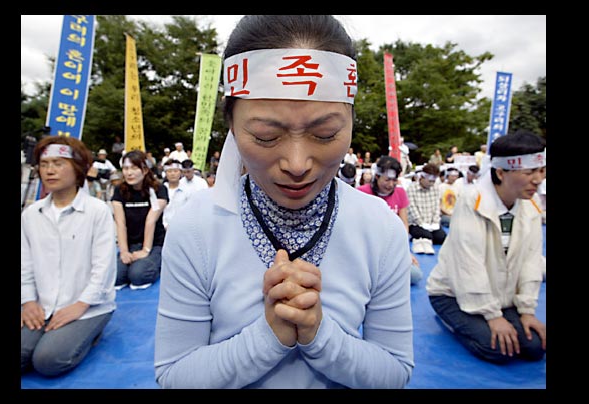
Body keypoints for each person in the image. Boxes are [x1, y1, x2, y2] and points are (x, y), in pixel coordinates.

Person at [155, 15, 413, 389]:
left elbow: (395, 371)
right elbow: (174, 375)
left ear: (352, 121)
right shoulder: (195, 226)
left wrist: (319, 335)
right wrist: (268, 337)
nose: (297, 164)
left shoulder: (380, 227)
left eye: (325, 134)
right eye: (264, 136)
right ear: (231, 124)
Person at [426, 130, 546, 364]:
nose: (538, 179)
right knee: (499, 350)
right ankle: (451, 320)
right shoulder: (472, 201)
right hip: (452, 293)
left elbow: (531, 261)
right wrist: (492, 316)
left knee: (534, 347)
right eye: (530, 171)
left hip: (501, 295)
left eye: (541, 171)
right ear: (501, 172)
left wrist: (527, 311)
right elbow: (468, 263)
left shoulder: (530, 206)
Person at [21, 136, 117, 376]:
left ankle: (91, 331)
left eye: (58, 163)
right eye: (44, 164)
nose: (50, 171)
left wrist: (80, 305)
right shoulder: (31, 215)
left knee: (48, 361)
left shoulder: (97, 212)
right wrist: (28, 301)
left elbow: (103, 269)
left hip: (88, 305)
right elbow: (24, 263)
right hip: (43, 304)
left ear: (78, 170)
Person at [357, 156, 423, 285]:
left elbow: (404, 223)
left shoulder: (400, 192)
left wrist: (405, 252)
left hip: (392, 249)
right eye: (387, 180)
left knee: (415, 276)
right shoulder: (361, 193)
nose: (390, 185)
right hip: (368, 250)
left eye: (394, 180)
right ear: (377, 177)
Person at [112, 150, 168, 290]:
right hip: (130, 244)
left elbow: (151, 221)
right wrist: (124, 251)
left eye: (134, 168)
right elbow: (120, 223)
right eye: (125, 168)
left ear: (144, 170)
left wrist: (146, 250)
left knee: (138, 276)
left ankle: (159, 262)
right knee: (116, 277)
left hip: (154, 244)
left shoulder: (158, 189)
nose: (129, 173)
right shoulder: (119, 191)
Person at [406, 163, 447, 254]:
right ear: (422, 177)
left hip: (432, 223)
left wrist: (435, 222)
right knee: (426, 235)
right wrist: (422, 223)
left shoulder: (435, 188)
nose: (431, 183)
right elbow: (412, 209)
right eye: (430, 181)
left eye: (433, 181)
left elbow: (437, 207)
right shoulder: (411, 188)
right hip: (416, 223)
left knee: (442, 238)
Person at [161, 159, 185, 230]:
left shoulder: (186, 191)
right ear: (165, 173)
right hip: (163, 228)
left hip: (182, 228)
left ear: (180, 172)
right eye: (169, 171)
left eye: (175, 171)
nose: (172, 174)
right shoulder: (160, 190)